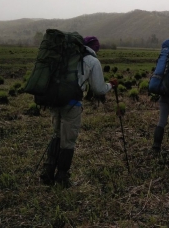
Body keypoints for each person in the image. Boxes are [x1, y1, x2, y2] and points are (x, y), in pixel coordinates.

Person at [40, 36, 118, 187]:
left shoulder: (67, 55)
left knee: (56, 135)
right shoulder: (93, 61)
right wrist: (111, 85)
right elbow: (98, 89)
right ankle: (62, 177)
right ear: (95, 48)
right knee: (68, 140)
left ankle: (47, 173)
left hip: (55, 100)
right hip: (72, 104)